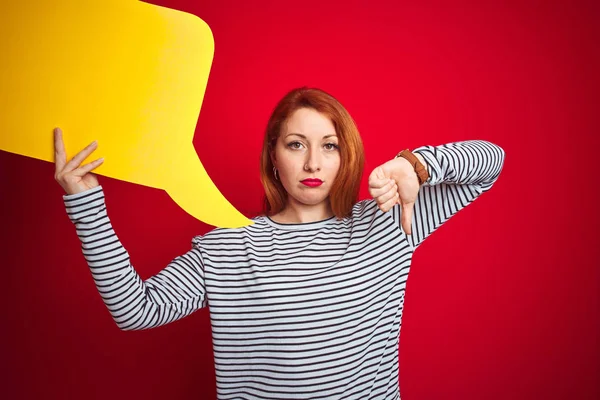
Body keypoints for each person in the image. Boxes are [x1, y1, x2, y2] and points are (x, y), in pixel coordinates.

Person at [54, 87, 505, 400]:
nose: (313, 161)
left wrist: (417, 165)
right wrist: (85, 201)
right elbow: (137, 310)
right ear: (273, 154)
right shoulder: (228, 248)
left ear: (345, 155)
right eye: (296, 144)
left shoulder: (387, 221)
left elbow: (492, 160)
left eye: (329, 146)